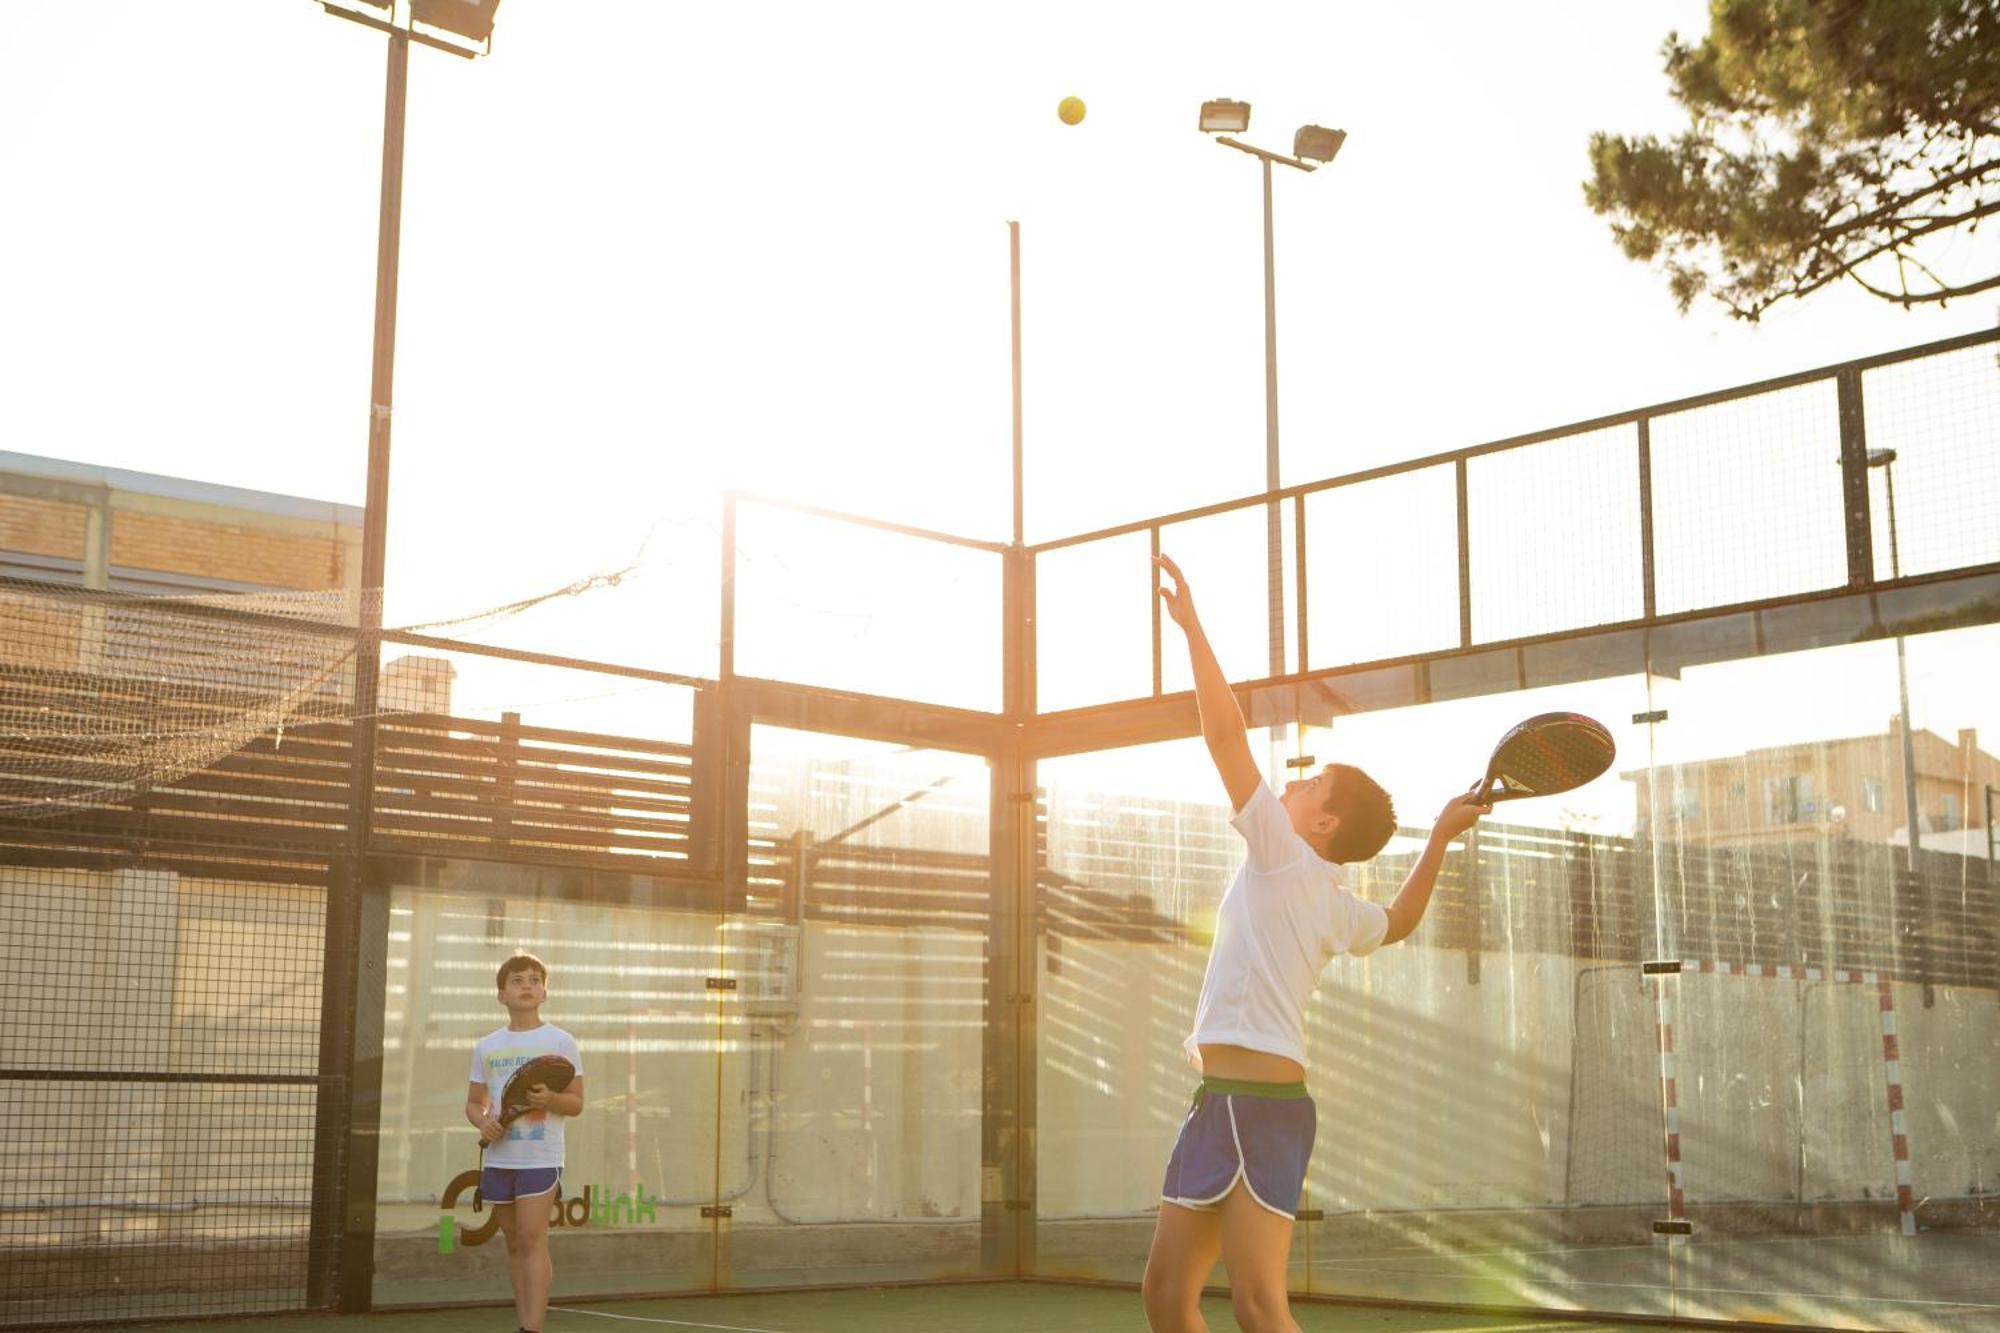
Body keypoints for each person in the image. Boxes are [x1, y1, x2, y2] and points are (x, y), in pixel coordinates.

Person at [1140, 555, 1489, 1333]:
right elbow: (1396, 920)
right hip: (1218, 1102)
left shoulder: (1284, 854)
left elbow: (1222, 733)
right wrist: (1437, 834)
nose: (1291, 785)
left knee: (1261, 1305)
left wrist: (1194, 629)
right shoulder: (1334, 903)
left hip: (1264, 1108)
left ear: (1322, 824)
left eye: (1310, 784)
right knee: (1167, 1297)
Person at [466, 951, 586, 1333]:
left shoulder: (561, 1041)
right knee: (514, 1241)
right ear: (502, 994)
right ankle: (525, 1318)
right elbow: (473, 1103)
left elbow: (577, 1103)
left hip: (541, 1158)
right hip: (500, 1159)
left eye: (535, 980)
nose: (527, 986)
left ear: (544, 993)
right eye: (518, 980)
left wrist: (550, 1100)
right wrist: (483, 1122)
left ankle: (531, 1328)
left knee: (533, 1237)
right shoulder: (486, 1046)